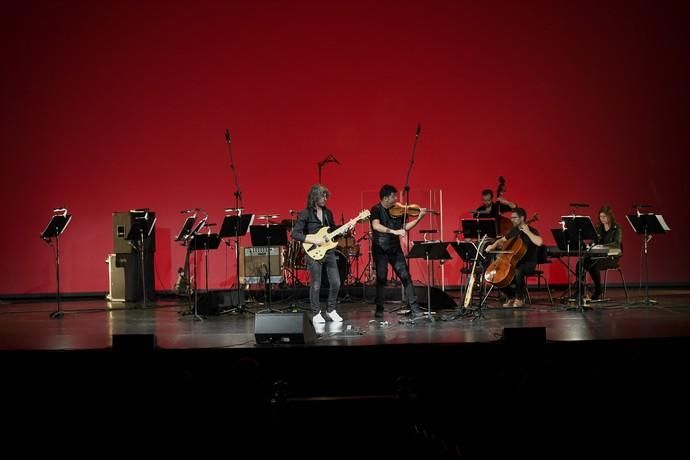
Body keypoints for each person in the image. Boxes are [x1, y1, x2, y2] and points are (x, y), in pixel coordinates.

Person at [370, 184, 427, 319]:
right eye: (393, 196)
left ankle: (415, 308)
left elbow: (405, 227)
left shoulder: (398, 210)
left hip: (395, 249)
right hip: (380, 249)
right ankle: (379, 308)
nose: (396, 199)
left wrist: (419, 218)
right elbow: (376, 225)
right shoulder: (376, 209)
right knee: (381, 279)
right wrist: (394, 231)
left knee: (406, 277)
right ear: (385, 198)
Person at [291, 184, 344, 323]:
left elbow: (332, 232)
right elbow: (295, 233)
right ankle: (316, 313)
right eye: (322, 195)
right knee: (316, 284)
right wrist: (313, 239)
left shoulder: (328, 213)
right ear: (315, 197)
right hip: (313, 251)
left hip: (329, 251)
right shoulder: (305, 213)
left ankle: (331, 310)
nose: (325, 198)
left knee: (336, 282)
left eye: (326, 196)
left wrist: (342, 230)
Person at [484, 207, 543, 308]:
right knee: (494, 275)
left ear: (522, 218)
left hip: (528, 263)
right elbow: (501, 240)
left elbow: (539, 242)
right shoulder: (514, 230)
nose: (512, 220)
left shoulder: (532, 231)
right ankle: (511, 296)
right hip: (513, 261)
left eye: (515, 218)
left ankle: (520, 298)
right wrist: (492, 246)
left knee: (518, 271)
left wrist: (528, 232)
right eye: (511, 218)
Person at [575, 205, 623, 301]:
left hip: (611, 257)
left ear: (610, 216)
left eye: (604, 216)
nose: (602, 219)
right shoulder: (598, 227)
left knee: (593, 265)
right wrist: (591, 245)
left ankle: (598, 290)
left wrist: (603, 246)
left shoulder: (616, 228)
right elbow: (594, 241)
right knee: (580, 263)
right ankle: (580, 291)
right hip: (598, 255)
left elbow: (617, 243)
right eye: (601, 217)